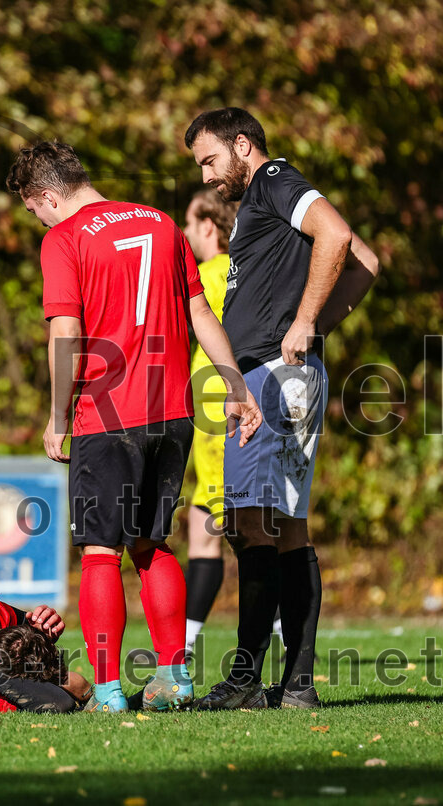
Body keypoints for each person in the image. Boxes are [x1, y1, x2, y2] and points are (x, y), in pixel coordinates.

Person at [6, 141, 262, 714]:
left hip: (108, 414)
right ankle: (175, 680)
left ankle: (107, 692)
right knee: (152, 544)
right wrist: (238, 387)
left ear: (48, 196)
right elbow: (201, 315)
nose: (39, 221)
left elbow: (65, 333)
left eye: (34, 210)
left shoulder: (64, 238)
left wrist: (56, 416)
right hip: (173, 411)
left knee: (101, 552)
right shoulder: (162, 223)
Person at [185, 107, 380, 710]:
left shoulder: (272, 181)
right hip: (283, 373)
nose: (207, 175)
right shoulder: (261, 202)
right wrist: (318, 324)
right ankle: (296, 683)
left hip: (273, 378)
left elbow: (341, 237)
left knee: (251, 523)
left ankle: (246, 680)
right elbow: (369, 263)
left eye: (210, 160)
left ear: (243, 146)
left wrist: (303, 324)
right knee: (284, 526)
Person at [180, 188, 238, 658]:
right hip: (210, 418)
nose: (184, 233)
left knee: (227, 529)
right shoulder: (235, 272)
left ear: (208, 226)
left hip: (220, 414)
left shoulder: (212, 274)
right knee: (206, 525)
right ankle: (182, 646)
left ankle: (282, 642)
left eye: (189, 223)